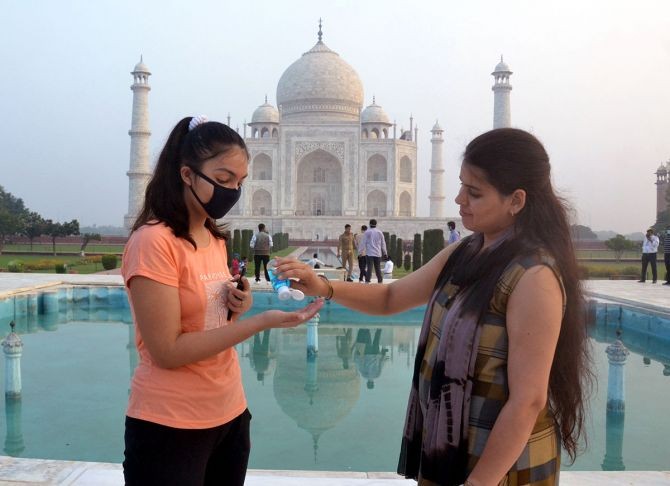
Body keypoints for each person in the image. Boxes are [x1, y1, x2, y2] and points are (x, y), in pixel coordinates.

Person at [274, 128, 591, 486]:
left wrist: (479, 482)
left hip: (501, 463)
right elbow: (392, 298)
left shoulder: (534, 275)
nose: (459, 200)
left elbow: (528, 401)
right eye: (461, 186)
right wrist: (324, 286)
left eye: (474, 192)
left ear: (516, 200)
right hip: (451, 443)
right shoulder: (467, 251)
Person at [120, 115, 323, 486]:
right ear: (187, 174)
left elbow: (210, 322)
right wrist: (259, 322)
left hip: (228, 413)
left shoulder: (214, 238)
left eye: (240, 182)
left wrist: (237, 304)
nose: (233, 190)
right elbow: (166, 350)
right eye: (224, 179)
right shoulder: (154, 242)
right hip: (171, 423)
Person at [362, 219, 387, 283]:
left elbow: (363, 243)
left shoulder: (367, 232)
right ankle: (380, 281)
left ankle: (367, 281)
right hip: (378, 253)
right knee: (378, 268)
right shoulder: (379, 232)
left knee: (369, 268)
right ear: (376, 224)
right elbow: (383, 243)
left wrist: (360, 252)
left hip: (370, 253)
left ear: (369, 224)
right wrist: (385, 253)